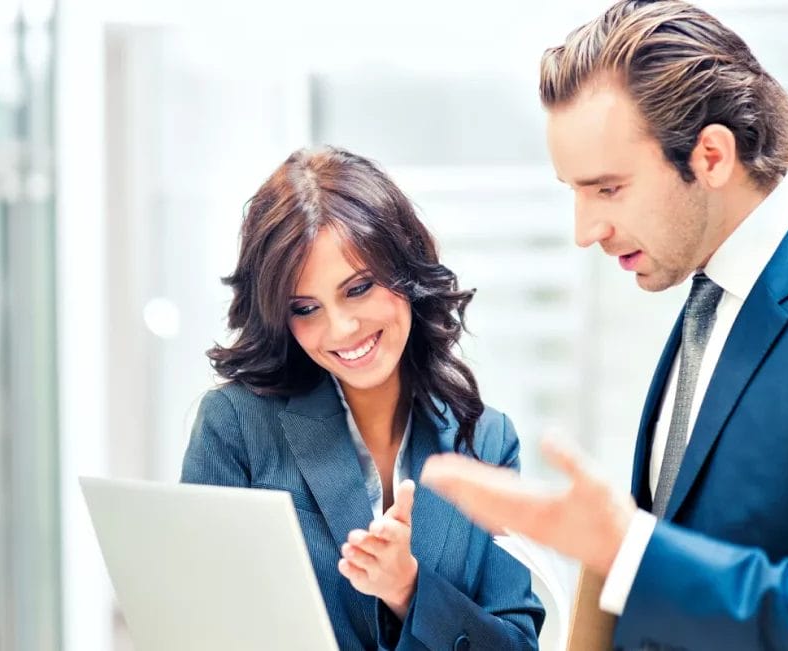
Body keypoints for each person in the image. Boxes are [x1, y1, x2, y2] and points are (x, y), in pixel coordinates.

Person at [420, 1, 788, 649]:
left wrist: (634, 551)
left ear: (711, 156)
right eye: (575, 192)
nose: (584, 231)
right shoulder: (709, 299)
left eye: (608, 190)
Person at [180, 146, 544, 650]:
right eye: (306, 308)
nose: (342, 329)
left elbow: (518, 646)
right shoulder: (237, 426)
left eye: (359, 288)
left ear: (404, 270)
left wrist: (410, 590)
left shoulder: (485, 440)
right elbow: (195, 629)